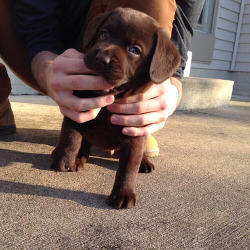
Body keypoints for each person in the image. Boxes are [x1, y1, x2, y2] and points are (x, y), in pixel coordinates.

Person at [0, 0, 204, 156]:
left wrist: (170, 90)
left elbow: (181, 34)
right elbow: (37, 28)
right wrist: (47, 68)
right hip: (38, 43)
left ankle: (129, 117)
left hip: (123, 59)